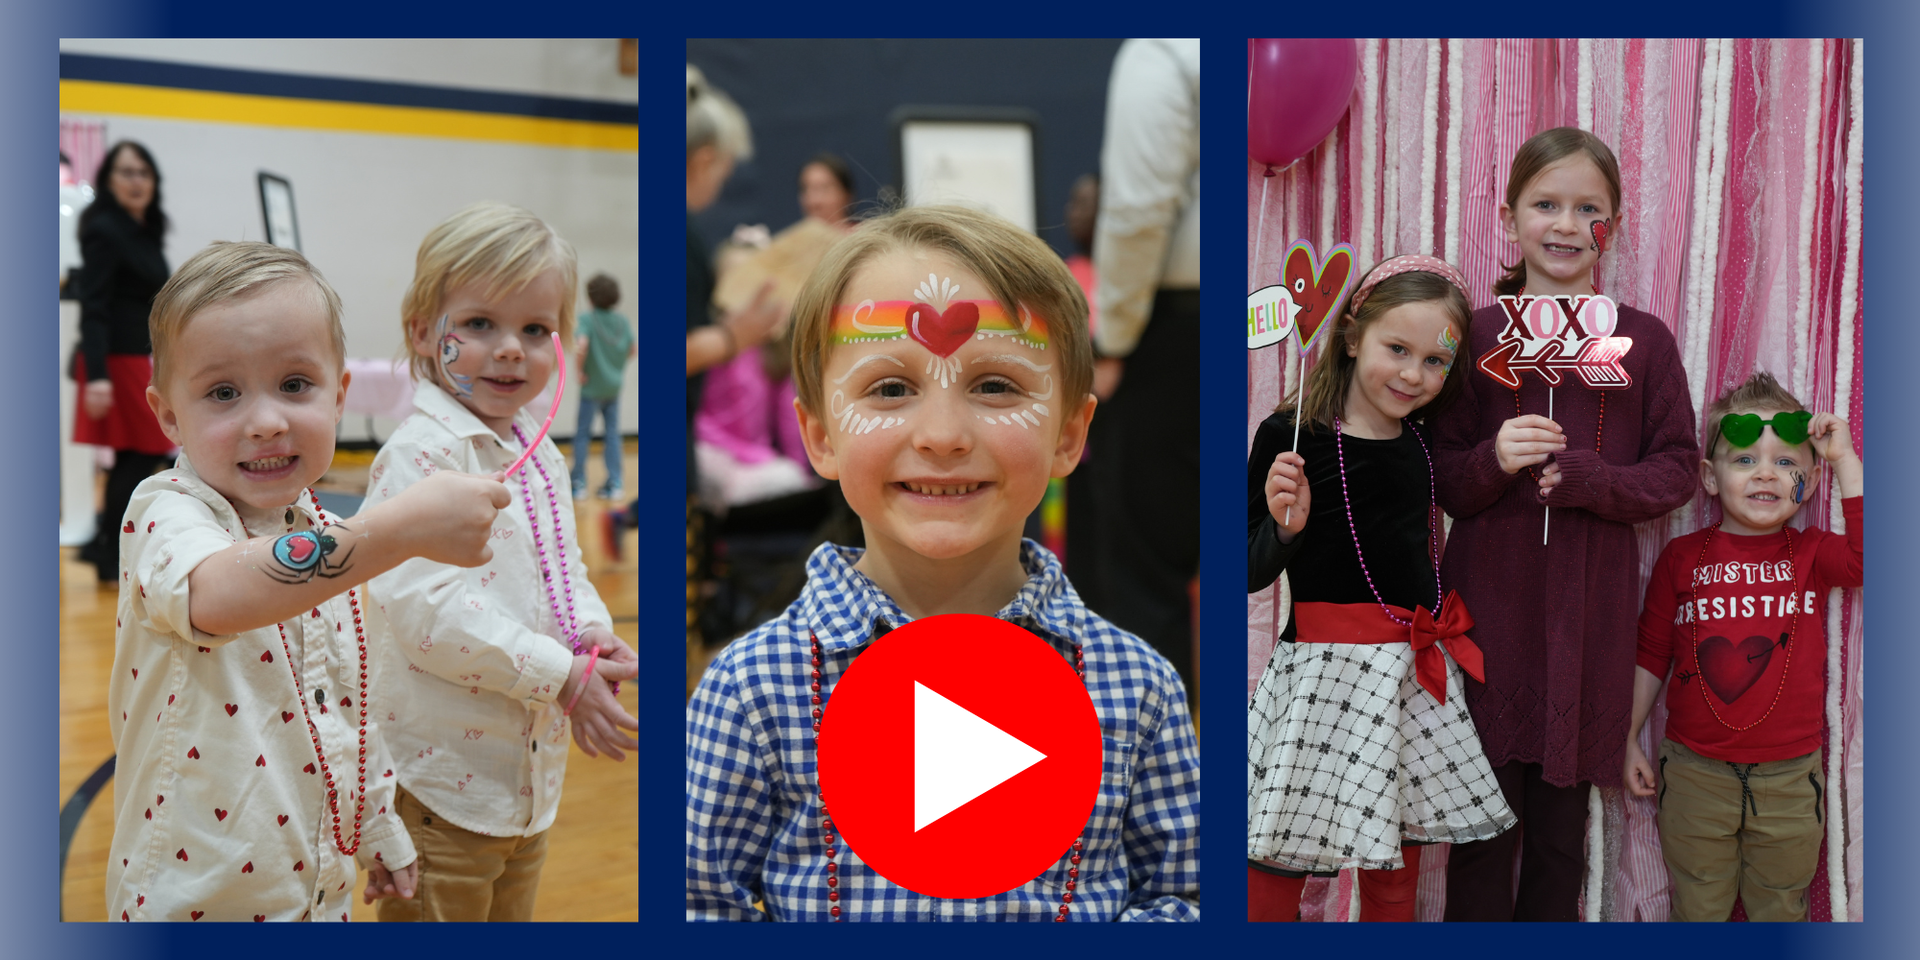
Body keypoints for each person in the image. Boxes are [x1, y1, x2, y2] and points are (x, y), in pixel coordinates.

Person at [685, 205, 1200, 921]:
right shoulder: (749, 692)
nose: (943, 435)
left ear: (1070, 434)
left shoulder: (1139, 690)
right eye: (890, 389)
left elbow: (1181, 895)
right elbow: (703, 906)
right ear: (820, 435)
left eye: (995, 386)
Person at [107, 241, 510, 921]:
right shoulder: (166, 510)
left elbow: (345, 704)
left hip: (316, 889)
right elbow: (219, 593)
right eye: (223, 393)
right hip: (198, 899)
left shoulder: (319, 523)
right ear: (169, 414)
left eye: (295, 385)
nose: (266, 421)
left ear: (340, 395)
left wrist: (377, 823)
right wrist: (398, 528)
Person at [1430, 127, 1700, 921]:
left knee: (1558, 841)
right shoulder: (1473, 334)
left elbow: (1679, 467)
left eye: (1589, 208)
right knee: (1477, 836)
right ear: (1508, 218)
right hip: (1487, 622)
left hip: (1588, 626)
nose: (1565, 223)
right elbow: (1439, 475)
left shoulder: (1643, 341)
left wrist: (1597, 481)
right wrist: (1495, 457)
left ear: (1612, 227)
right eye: (1545, 204)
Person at [358, 202, 639, 922]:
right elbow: (430, 614)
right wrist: (562, 677)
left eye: (536, 329)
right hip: (442, 788)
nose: (511, 348)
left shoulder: (538, 453)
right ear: (424, 332)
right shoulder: (421, 457)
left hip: (526, 784)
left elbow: (562, 568)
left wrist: (590, 636)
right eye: (479, 324)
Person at [1246, 256, 1516, 922]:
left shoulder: (1422, 441)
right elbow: (1245, 570)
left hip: (1409, 678)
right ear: (1350, 335)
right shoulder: (1291, 436)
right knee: (1279, 854)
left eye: (1434, 361)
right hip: (1319, 674)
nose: (1411, 374)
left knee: (1395, 858)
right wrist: (1285, 530)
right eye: (1397, 348)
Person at [1625, 372, 1862, 921]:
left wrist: (1845, 458)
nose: (1766, 475)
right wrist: (1628, 738)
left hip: (1789, 776)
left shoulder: (1813, 553)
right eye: (1745, 460)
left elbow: (1867, 555)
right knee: (1698, 906)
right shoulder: (1681, 558)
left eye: (1786, 464)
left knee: (1779, 908)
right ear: (1709, 477)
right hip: (1693, 773)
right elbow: (1651, 650)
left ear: (1810, 478)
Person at [1077, 38, 1201, 698]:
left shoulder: (1163, 49)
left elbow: (1136, 207)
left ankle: (1149, 769)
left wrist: (1113, 339)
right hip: (1288, 300)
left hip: (1176, 324)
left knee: (1143, 565)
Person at [73, 140, 175, 582]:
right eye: (125, 172)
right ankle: (110, 554)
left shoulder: (143, 231)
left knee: (136, 456)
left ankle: (105, 547)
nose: (136, 181)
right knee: (139, 455)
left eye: (143, 173)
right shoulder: (106, 231)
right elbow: (93, 305)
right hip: (114, 360)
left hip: (136, 355)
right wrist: (97, 376)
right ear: (108, 181)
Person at [571, 272, 635, 500]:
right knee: (612, 435)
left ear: (591, 297)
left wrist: (579, 371)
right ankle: (615, 483)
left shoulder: (587, 319)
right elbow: (632, 349)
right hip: (614, 388)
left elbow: (582, 343)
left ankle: (578, 483)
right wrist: (615, 367)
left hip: (591, 389)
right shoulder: (622, 321)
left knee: (582, 435)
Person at [798, 152, 856, 229]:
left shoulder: (864, 239)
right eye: (806, 189)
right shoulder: (792, 239)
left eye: (824, 189)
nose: (814, 201)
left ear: (846, 195)